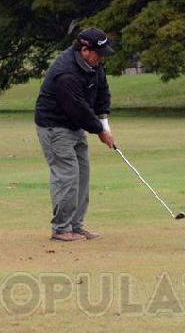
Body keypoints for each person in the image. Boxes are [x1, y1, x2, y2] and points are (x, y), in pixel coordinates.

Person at [34, 27, 116, 242]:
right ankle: (61, 229)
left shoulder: (93, 65)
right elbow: (77, 108)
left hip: (75, 126)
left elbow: (102, 93)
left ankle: (76, 226)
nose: (100, 59)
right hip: (54, 127)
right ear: (85, 50)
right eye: (98, 53)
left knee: (82, 175)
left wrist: (105, 123)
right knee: (67, 176)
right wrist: (99, 130)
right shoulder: (66, 73)